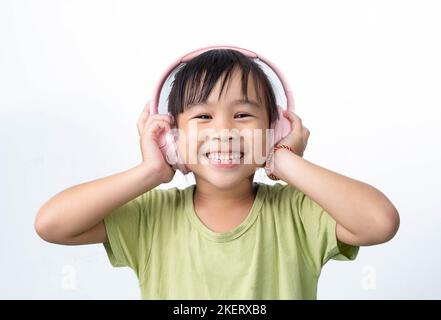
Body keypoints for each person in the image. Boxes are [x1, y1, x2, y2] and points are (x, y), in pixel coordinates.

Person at [34, 48, 400, 299]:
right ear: (173, 137)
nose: (223, 130)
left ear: (274, 129)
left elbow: (379, 222)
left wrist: (284, 159)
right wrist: (149, 172)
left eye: (242, 115)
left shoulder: (299, 213)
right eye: (202, 116)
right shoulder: (151, 216)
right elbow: (52, 224)